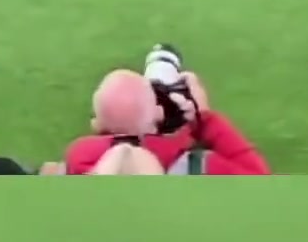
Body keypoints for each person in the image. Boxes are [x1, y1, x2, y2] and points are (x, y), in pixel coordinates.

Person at [64, 67, 270, 175]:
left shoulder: (79, 164)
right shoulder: (197, 166)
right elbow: (259, 180)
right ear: (159, 113)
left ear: (97, 125)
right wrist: (205, 119)